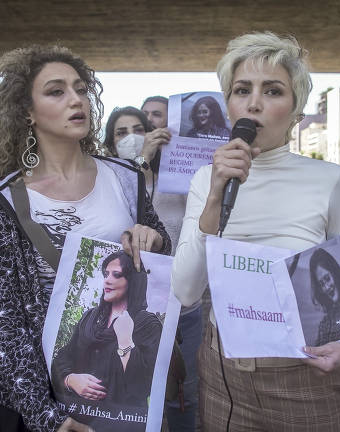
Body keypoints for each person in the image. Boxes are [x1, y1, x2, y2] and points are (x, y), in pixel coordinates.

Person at [0, 43, 171, 432]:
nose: (77, 99)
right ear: (27, 111)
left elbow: (158, 247)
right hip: (41, 394)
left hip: (118, 384)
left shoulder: (124, 177)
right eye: (57, 91)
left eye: (80, 89)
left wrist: (153, 240)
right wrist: (47, 416)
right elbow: (5, 321)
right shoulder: (3, 200)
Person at [172, 32, 340, 431]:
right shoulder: (206, 178)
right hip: (223, 372)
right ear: (228, 106)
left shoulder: (328, 180)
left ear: (295, 111)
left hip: (307, 371)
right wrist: (214, 198)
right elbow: (186, 291)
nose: (254, 103)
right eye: (242, 90)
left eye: (273, 91)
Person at [139, 95, 201, 432]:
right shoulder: (127, 171)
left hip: (184, 304)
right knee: (137, 391)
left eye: (157, 115)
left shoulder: (185, 172)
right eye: (144, 115)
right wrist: (142, 158)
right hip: (142, 303)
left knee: (185, 391)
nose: (150, 122)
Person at [51, 251, 162, 407]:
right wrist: (70, 379)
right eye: (106, 274)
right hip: (78, 415)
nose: (107, 281)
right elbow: (63, 358)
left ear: (133, 281)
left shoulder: (147, 324)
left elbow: (144, 386)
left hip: (122, 420)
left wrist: (125, 341)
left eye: (116, 275)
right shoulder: (90, 317)